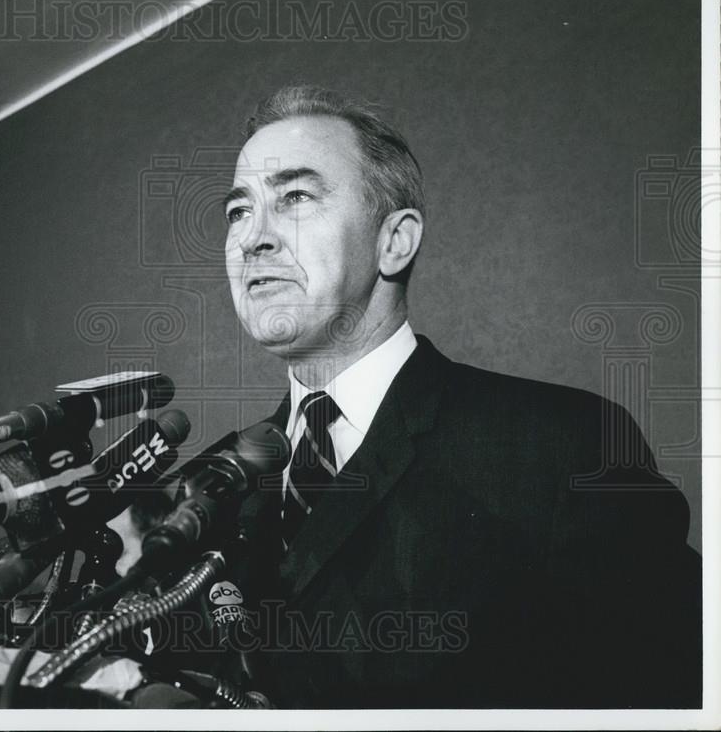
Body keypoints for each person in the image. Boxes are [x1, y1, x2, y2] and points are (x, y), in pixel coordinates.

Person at [220, 85, 701, 708]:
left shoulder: (565, 446)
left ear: (395, 240)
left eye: (295, 196)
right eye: (238, 210)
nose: (253, 238)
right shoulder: (211, 491)